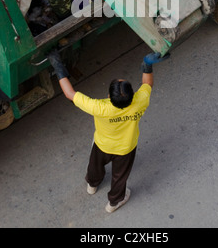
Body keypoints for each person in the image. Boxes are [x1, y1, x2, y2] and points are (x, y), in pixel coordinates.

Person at [47, 49, 170, 213]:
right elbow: (147, 84)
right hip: (126, 149)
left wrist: (58, 66)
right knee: (120, 177)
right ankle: (114, 203)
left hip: (102, 145)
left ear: (108, 96)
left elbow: (70, 94)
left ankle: (92, 184)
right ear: (132, 95)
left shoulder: (100, 107)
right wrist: (147, 64)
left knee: (95, 165)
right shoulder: (139, 102)